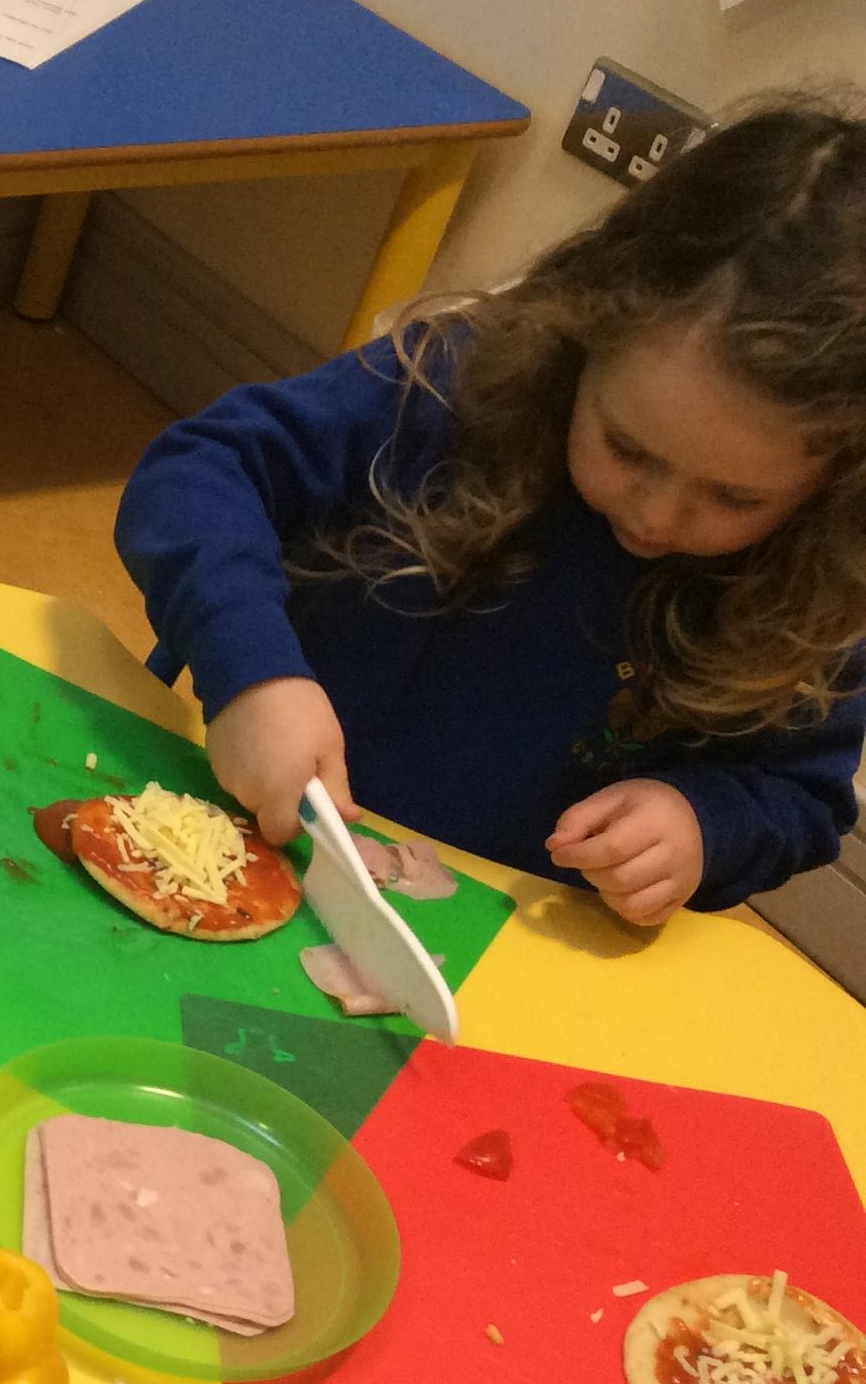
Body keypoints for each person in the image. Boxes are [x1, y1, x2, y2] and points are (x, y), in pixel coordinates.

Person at [115, 103, 866, 925]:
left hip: (486, 932)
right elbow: (200, 470)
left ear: (834, 485)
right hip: (232, 831)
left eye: (734, 497)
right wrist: (252, 670)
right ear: (581, 335)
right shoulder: (446, 388)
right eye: (626, 448)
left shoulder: (818, 587)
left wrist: (702, 824)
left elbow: (801, 796)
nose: (655, 516)